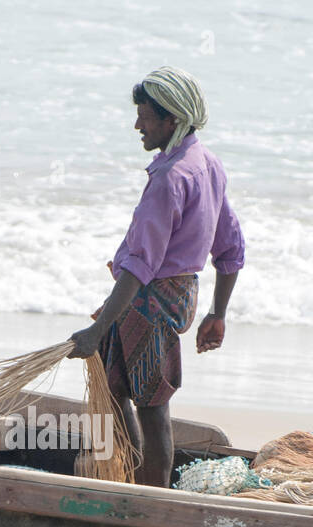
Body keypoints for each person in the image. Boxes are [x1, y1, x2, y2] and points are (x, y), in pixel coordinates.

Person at [69, 66, 244, 487]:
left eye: (145, 116)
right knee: (115, 391)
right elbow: (231, 248)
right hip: (175, 295)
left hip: (148, 300)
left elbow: (140, 266)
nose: (137, 125)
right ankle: (131, 477)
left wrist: (98, 331)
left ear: (171, 119)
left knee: (152, 408)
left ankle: (151, 501)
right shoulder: (207, 164)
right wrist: (218, 313)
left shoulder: (169, 179)